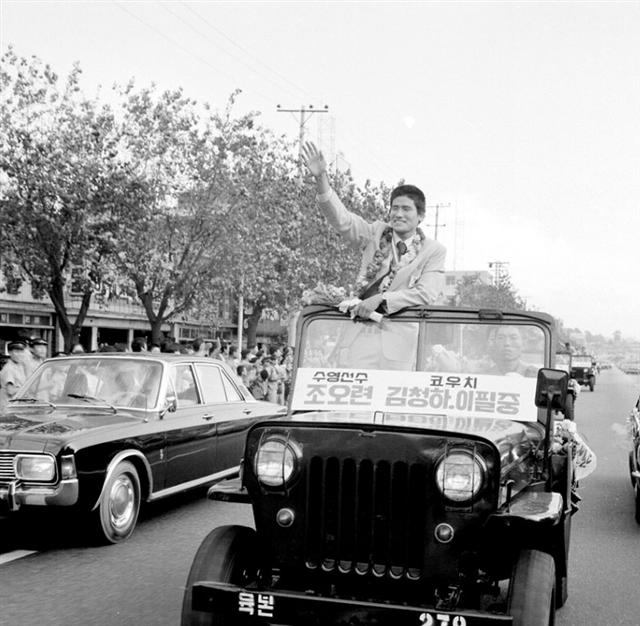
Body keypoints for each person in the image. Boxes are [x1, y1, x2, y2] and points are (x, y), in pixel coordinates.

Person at [302, 141, 446, 320]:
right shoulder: (375, 233)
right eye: (395, 208)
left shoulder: (433, 250)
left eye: (406, 209)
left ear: (421, 216)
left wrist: (382, 298)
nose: (398, 214)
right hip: (359, 329)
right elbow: (342, 221)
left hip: (402, 335)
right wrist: (321, 178)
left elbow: (425, 293)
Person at [0, 340, 32, 409]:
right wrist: (26, 389)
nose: (19, 354)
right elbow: (10, 391)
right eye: (16, 352)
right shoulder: (9, 369)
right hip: (8, 406)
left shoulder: (20, 366)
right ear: (10, 353)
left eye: (21, 352)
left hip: (16, 405)